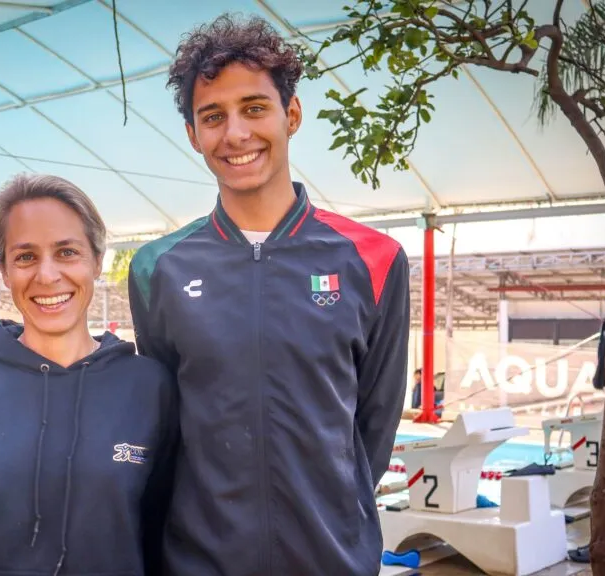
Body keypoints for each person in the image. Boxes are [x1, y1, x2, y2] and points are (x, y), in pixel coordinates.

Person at [128, 13, 410, 576]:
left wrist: (328, 511)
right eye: (213, 117)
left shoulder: (374, 259)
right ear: (193, 135)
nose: (235, 134)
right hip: (198, 563)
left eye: (254, 108)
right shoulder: (158, 268)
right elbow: (165, 424)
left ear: (292, 114)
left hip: (332, 559)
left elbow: (373, 428)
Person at [0, 174, 178, 576]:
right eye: (25, 256)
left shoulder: (149, 389)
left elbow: (164, 525)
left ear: (97, 261)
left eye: (67, 252)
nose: (47, 275)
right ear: (3, 268)